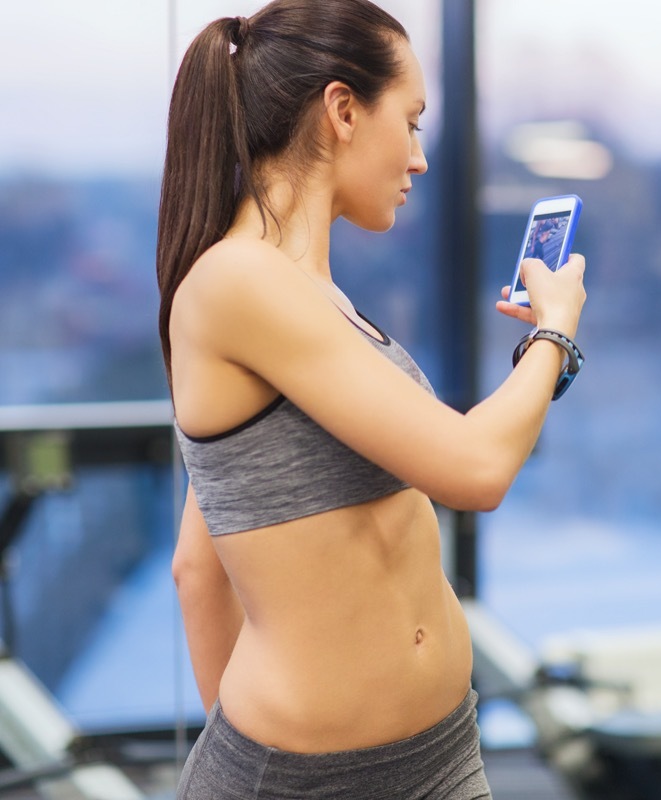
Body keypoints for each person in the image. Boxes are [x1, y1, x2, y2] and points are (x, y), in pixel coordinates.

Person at [158, 1, 586, 797]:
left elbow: (198, 560)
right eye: (413, 121)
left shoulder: (308, 296)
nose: (420, 159)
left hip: (440, 753)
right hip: (312, 779)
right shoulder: (238, 281)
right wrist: (554, 333)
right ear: (343, 109)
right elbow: (475, 469)